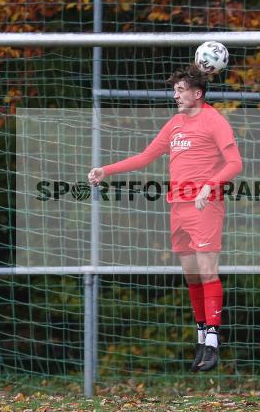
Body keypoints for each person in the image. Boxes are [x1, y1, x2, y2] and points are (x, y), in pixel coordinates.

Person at [88, 65, 242, 372]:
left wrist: (210, 185)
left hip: (205, 206)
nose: (175, 95)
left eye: (181, 90)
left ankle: (213, 339)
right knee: (191, 275)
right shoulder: (174, 124)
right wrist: (107, 171)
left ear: (197, 94)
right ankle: (202, 335)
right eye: (174, 91)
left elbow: (235, 163)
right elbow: (146, 156)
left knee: (208, 271)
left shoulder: (215, 121)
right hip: (178, 207)